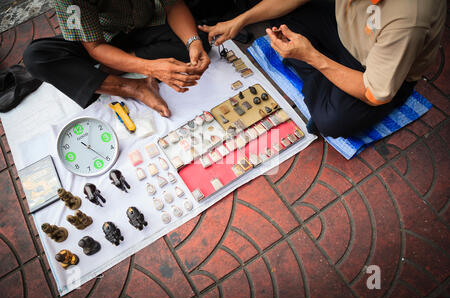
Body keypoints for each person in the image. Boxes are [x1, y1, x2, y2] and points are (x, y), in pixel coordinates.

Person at [199, 0, 446, 138]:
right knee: (280, 24)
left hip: (374, 69)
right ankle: (323, 84)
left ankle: (318, 77)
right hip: (342, 29)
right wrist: (240, 20)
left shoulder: (408, 18)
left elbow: (375, 92)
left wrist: (312, 57)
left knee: (332, 122)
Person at [23, 0, 211, 117]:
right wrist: (150, 68)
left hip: (145, 26)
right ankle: (134, 87)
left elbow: (173, 4)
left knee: (201, 38)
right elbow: (95, 47)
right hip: (102, 37)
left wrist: (192, 42)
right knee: (37, 57)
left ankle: (118, 64)